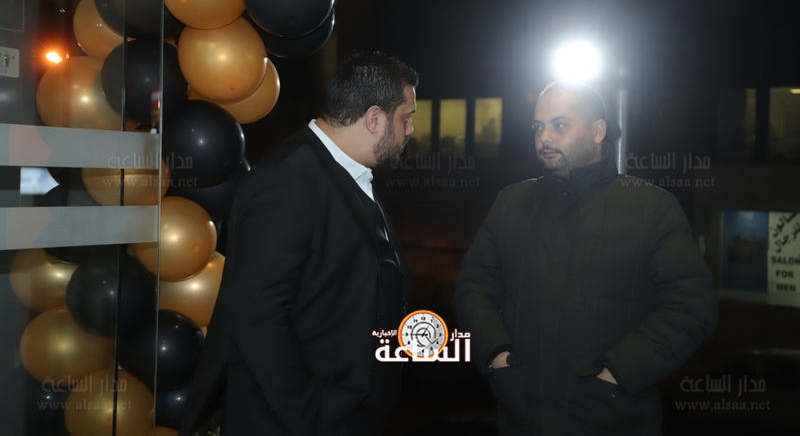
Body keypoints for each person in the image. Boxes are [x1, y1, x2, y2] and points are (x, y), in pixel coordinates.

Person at [453, 81, 717, 435]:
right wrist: (497, 357)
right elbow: (473, 289)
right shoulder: (511, 202)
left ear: (598, 131)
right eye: (538, 127)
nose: (544, 137)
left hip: (616, 423)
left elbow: (691, 307)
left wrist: (617, 374)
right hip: (521, 421)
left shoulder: (651, 208)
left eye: (559, 125)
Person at [179, 51, 418, 436]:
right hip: (302, 421)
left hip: (349, 411)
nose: (410, 130)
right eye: (405, 118)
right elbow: (257, 314)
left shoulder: (343, 171)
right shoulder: (288, 178)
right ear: (374, 118)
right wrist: (309, 413)